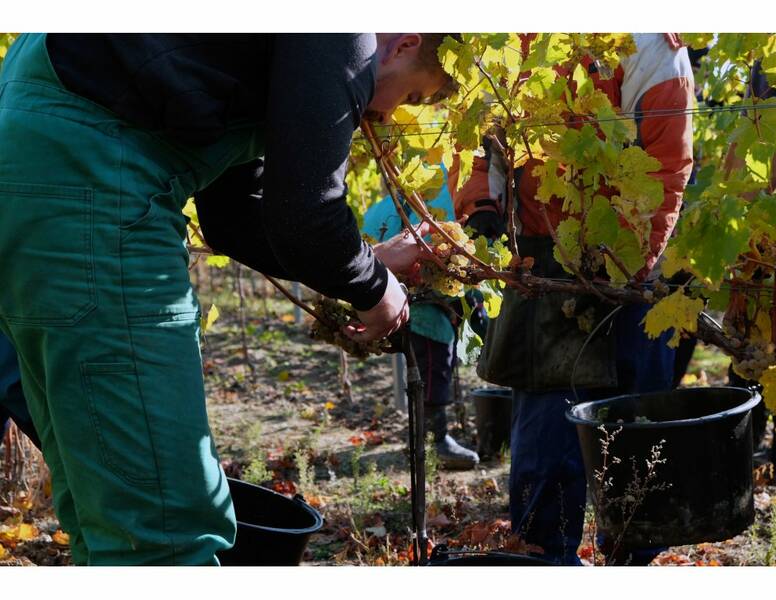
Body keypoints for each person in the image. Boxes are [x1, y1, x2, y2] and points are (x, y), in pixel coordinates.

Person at [0, 33, 456, 565]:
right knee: (163, 530)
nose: (390, 115)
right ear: (404, 44)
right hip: (95, 186)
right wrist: (376, 290)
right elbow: (309, 216)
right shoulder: (341, 30)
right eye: (412, 97)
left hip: (37, 171)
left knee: (108, 511)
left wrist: (367, 261)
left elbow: (236, 218)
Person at [451, 33, 694, 565]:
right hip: (540, 257)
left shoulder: (648, 40)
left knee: (634, 427)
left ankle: (632, 561)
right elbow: (472, 137)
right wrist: (483, 213)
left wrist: (631, 263)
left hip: (629, 255)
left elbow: (666, 162)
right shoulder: (507, 35)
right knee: (545, 430)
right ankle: (545, 561)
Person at [361, 175, 480, 470]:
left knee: (426, 369)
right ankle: (432, 443)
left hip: (395, 306)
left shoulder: (379, 209)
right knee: (433, 367)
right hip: (426, 308)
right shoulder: (438, 203)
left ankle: (424, 443)